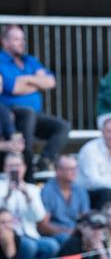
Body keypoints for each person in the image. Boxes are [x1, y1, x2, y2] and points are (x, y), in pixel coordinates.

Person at [0, 24, 71, 178]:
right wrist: (37, 84)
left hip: (33, 115)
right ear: (4, 42)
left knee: (63, 127)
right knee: (28, 115)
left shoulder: (29, 60)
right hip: (11, 114)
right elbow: (13, 87)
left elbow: (51, 82)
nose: (21, 42)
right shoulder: (1, 60)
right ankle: (28, 171)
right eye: (16, 39)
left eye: (22, 39)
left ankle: (44, 161)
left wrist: (25, 79)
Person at [0, 152, 60, 259]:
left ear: (24, 168)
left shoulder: (32, 189)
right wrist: (8, 195)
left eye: (18, 165)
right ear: (4, 168)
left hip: (31, 234)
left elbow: (39, 217)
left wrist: (27, 196)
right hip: (10, 236)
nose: (14, 169)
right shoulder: (1, 187)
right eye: (11, 166)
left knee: (52, 246)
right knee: (29, 246)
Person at [41, 155, 90, 238]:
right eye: (70, 169)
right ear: (58, 171)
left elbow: (86, 217)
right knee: (66, 238)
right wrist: (69, 232)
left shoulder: (80, 190)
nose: (74, 172)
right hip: (55, 234)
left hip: (75, 231)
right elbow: (43, 226)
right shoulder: (47, 191)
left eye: (75, 168)